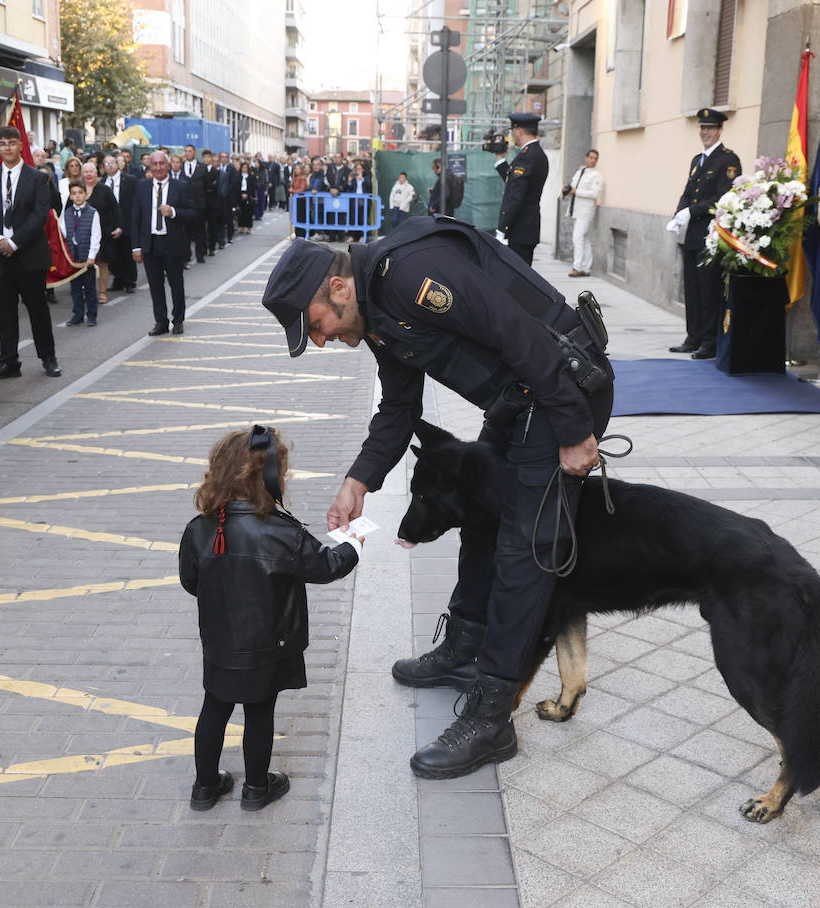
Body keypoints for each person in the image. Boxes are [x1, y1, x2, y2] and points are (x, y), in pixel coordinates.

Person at [262, 218, 613, 779]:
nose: (323, 339)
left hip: (560, 390)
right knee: (481, 518)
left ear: (337, 288)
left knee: (524, 550)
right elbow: (398, 407)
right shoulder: (375, 309)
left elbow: (516, 332)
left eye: (317, 326)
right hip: (518, 399)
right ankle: (464, 649)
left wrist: (573, 430)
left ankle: (491, 716)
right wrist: (358, 482)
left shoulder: (412, 276)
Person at [179, 426, 362, 811]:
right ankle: (257, 789)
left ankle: (205, 787)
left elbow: (190, 581)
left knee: (214, 708)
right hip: (268, 644)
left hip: (220, 642)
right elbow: (326, 567)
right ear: (269, 478)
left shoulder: (199, 529)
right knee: (259, 712)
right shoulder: (283, 532)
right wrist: (352, 546)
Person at [0, 126, 60, 379]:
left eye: (11, 143)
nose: (7, 148)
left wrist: (14, 242)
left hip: (29, 255)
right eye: (1, 143)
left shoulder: (37, 178)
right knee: (4, 310)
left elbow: (39, 215)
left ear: (20, 146)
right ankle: (9, 361)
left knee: (38, 310)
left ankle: (48, 357)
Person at [665, 108, 742, 360]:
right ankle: (694, 335)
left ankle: (709, 341)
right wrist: (679, 213)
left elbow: (723, 197)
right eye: (702, 128)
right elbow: (687, 192)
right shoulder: (697, 159)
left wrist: (692, 211)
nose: (705, 132)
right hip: (692, 234)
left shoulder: (728, 160)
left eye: (710, 128)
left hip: (711, 234)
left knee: (709, 290)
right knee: (693, 289)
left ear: (720, 130)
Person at [131, 150, 194, 336]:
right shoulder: (142, 186)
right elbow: (136, 218)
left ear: (168, 165)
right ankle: (161, 321)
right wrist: (136, 246)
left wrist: (173, 212)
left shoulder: (180, 186)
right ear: (150, 166)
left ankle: (178, 320)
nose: (158, 167)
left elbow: (193, 214)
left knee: (176, 284)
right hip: (150, 243)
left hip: (172, 243)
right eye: (154, 164)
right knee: (155, 285)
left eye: (161, 164)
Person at [496, 113, 549, 266]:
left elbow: (516, 196)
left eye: (513, 131)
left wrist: (503, 229)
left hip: (519, 229)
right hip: (526, 229)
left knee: (516, 282)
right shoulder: (537, 154)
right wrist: (500, 160)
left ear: (519, 130)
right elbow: (514, 182)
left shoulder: (527, 156)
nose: (513, 135)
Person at [59, 181, 101, 327]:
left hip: (86, 255)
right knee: (75, 288)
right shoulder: (67, 213)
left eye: (80, 193)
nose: (77, 196)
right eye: (74, 193)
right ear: (70, 196)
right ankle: (78, 314)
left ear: (86, 194)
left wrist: (92, 256)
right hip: (73, 256)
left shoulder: (93, 213)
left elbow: (96, 235)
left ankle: (92, 315)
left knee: (89, 287)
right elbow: (63, 234)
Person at [80, 160, 120, 305]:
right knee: (85, 263)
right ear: (82, 174)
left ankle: (102, 292)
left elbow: (116, 209)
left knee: (102, 263)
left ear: (96, 173)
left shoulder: (104, 190)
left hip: (103, 232)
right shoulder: (78, 189)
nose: (89, 174)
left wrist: (118, 227)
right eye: (86, 172)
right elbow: (68, 210)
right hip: (82, 234)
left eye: (91, 172)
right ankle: (87, 291)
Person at [563, 149, 603, 278]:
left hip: (586, 211)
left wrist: (576, 192)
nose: (592, 160)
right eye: (591, 157)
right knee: (584, 239)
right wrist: (567, 190)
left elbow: (594, 194)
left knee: (577, 237)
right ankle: (586, 268)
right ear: (586, 158)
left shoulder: (597, 175)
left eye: (595, 158)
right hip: (577, 209)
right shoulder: (580, 171)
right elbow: (573, 187)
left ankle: (577, 267)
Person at [101, 152, 138, 291]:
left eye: (112, 162)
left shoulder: (130, 180)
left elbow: (136, 201)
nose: (109, 166)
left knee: (127, 252)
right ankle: (118, 279)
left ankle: (129, 281)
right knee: (113, 255)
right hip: (109, 223)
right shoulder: (102, 182)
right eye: (106, 163)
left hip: (126, 220)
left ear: (118, 164)